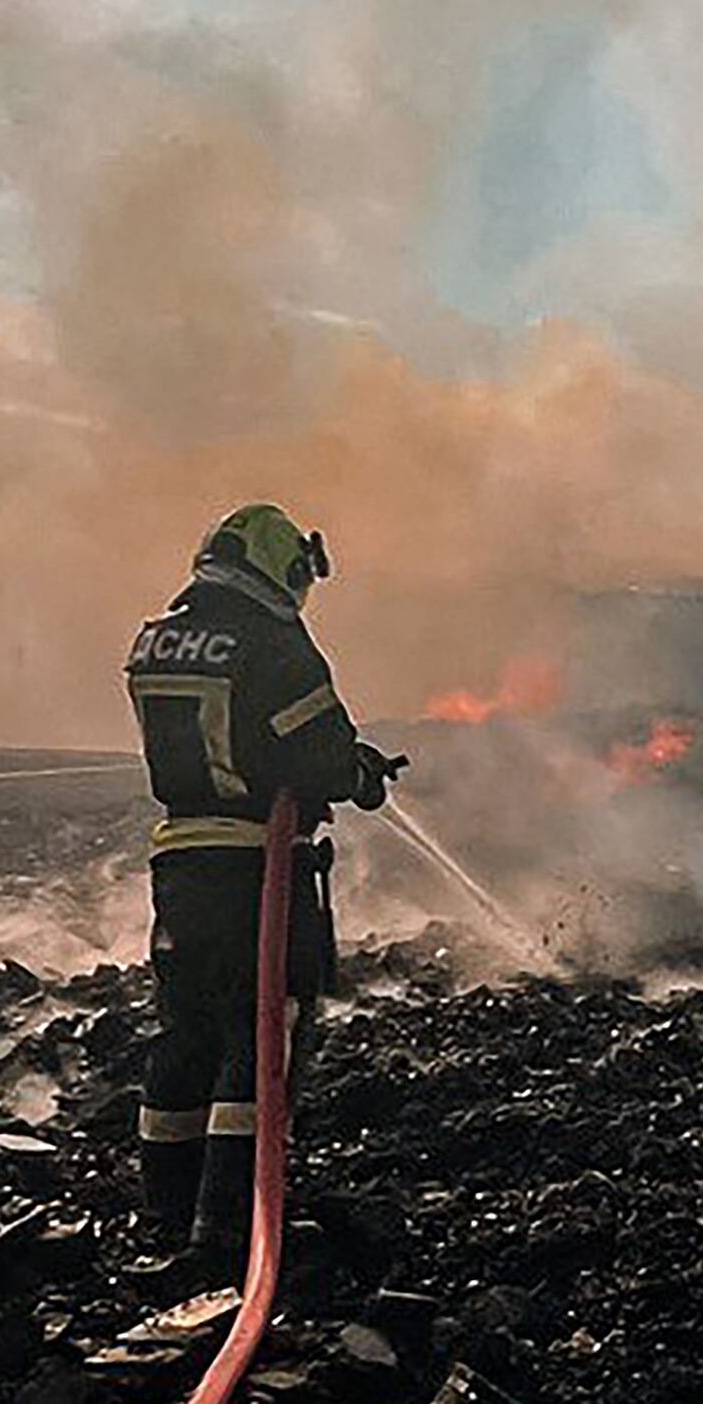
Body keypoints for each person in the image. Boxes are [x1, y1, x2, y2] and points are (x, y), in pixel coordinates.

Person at [124, 503, 403, 1273]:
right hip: (257, 866)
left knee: (185, 1038)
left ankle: (166, 1214)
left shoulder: (160, 638)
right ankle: (230, 1226)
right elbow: (317, 756)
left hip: (180, 862)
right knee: (262, 1037)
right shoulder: (275, 644)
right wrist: (358, 776)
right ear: (280, 566)